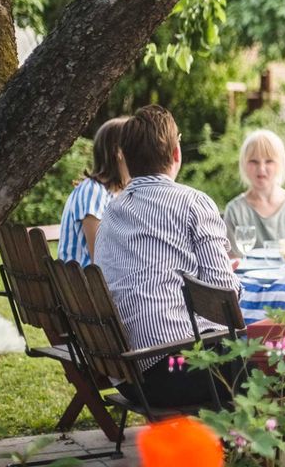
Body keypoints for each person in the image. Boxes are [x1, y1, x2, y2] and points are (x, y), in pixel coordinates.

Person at [94, 105, 241, 407]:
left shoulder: (111, 211)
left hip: (129, 376)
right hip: (178, 371)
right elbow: (224, 303)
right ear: (176, 153)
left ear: (125, 158)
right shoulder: (193, 203)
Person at [223, 129, 285, 256]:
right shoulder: (234, 210)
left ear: (281, 164)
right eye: (254, 162)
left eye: (269, 161)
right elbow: (232, 260)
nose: (261, 169)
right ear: (243, 164)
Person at [57, 117, 129, 265]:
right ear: (118, 152)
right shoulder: (93, 192)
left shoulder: (114, 193)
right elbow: (100, 258)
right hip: (85, 285)